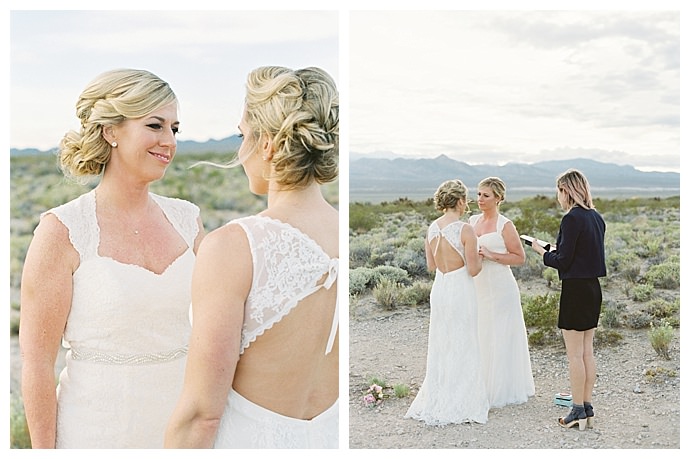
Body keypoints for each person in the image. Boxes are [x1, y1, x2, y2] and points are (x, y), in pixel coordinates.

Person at [19, 68, 205, 448]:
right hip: (97, 431)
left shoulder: (188, 220)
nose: (168, 141)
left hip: (182, 430)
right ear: (111, 131)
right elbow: (38, 363)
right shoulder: (63, 231)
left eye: (174, 129)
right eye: (155, 125)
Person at [164, 65, 339, 449]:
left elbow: (200, 415)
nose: (239, 150)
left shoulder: (235, 246)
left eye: (243, 135)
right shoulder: (345, 236)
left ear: (267, 145)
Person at [404, 179, 490, 426]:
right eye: (466, 200)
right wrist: (481, 256)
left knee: (443, 342)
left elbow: (431, 266)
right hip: (460, 287)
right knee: (464, 340)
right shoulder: (465, 229)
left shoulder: (432, 227)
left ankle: (440, 396)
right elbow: (473, 270)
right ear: (461, 201)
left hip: (441, 287)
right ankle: (462, 400)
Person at [529, 169, 606, 431]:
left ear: (566, 190)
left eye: (558, 191)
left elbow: (562, 261)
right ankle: (587, 407)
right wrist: (556, 250)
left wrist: (541, 251)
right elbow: (579, 254)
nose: (558, 197)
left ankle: (576, 411)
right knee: (587, 352)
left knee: (575, 355)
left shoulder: (571, 219)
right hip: (593, 289)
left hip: (575, 291)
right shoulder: (596, 218)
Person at [469, 177, 535, 408]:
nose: (479, 199)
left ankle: (504, 387)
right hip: (478, 286)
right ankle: (482, 383)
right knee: (482, 333)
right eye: (478, 194)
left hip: (500, 287)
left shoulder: (504, 225)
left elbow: (519, 257)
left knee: (501, 334)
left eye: (485, 195)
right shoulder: (472, 221)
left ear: (498, 198)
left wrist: (490, 255)